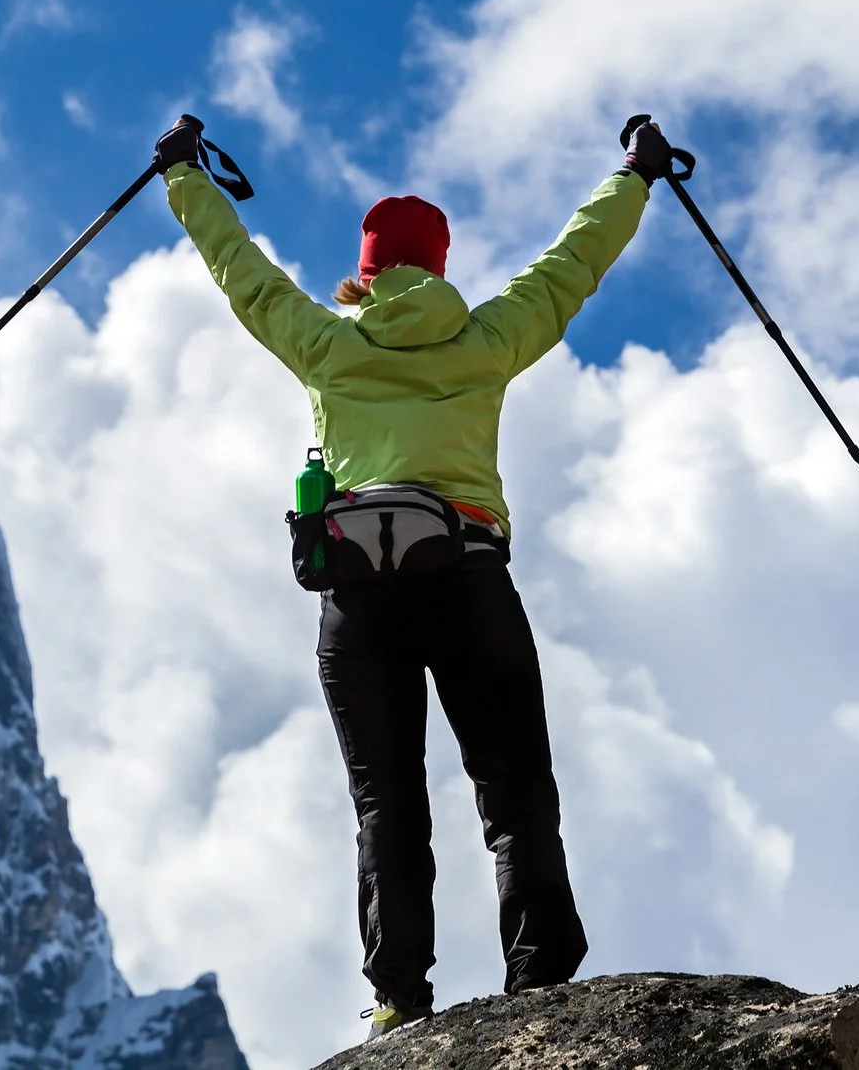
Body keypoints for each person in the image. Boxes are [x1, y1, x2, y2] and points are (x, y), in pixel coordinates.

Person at [152, 112, 672, 1038]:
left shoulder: (326, 344)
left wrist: (185, 177)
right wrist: (633, 175)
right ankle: (540, 979)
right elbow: (573, 261)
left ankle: (398, 999)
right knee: (514, 794)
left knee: (385, 804)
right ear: (437, 265)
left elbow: (243, 272)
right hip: (469, 579)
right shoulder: (487, 340)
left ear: (367, 268)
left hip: (357, 600)